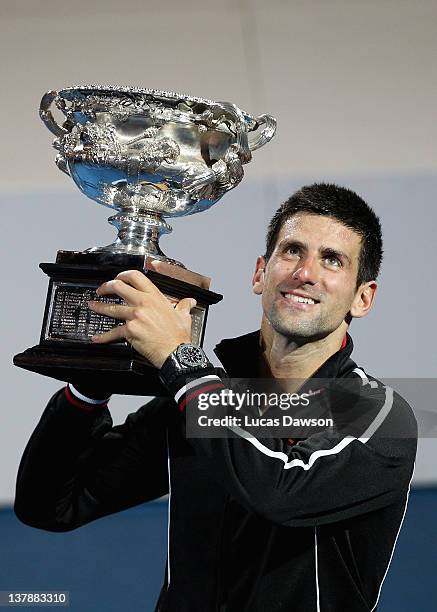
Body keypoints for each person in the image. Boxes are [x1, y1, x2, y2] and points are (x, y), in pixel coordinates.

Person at [15, 183, 417, 612]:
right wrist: (90, 385)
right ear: (260, 273)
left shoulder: (378, 414)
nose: (305, 273)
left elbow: (278, 491)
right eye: (292, 251)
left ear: (363, 297)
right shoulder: (200, 399)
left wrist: (179, 359)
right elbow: (51, 507)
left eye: (332, 260)